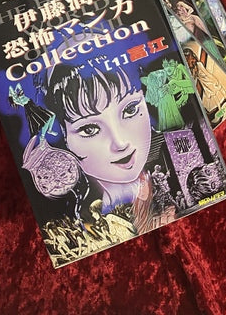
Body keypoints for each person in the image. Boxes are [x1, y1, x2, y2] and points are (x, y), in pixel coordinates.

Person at [44, 63, 155, 231]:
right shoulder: (79, 222)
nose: (120, 142)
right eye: (89, 129)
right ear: (65, 136)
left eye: (130, 109)